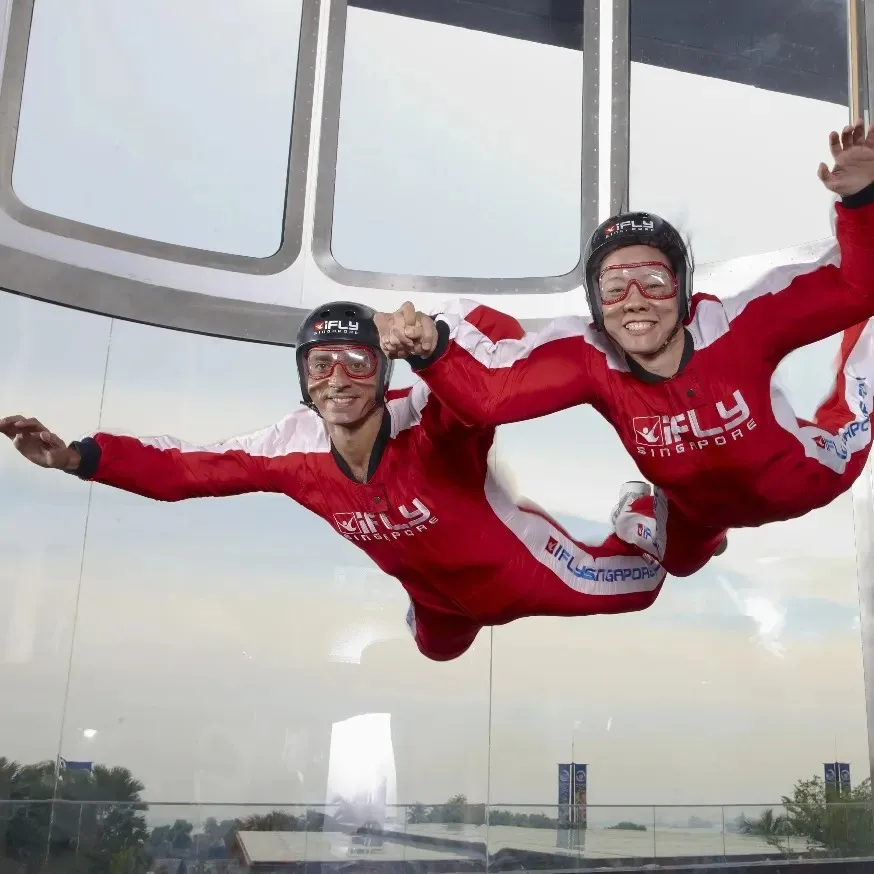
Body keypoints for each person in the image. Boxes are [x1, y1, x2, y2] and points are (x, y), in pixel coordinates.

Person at [0, 303, 666, 663]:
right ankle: (429, 605)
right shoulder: (295, 447)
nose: (339, 377)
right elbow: (184, 467)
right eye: (321, 364)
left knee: (642, 588)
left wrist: (432, 337)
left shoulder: (427, 417)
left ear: (382, 372)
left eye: (356, 361)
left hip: (523, 571)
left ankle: (643, 503)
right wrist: (75, 457)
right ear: (303, 378)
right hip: (432, 593)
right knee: (438, 652)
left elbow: (493, 340)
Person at [374, 120, 874, 577]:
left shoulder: (740, 324)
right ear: (595, 304)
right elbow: (490, 396)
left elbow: (858, 288)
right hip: (695, 514)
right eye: (614, 288)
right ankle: (648, 513)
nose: (635, 301)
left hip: (805, 479)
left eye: (654, 281)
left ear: (683, 290)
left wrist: (861, 201)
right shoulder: (592, 360)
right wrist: (429, 348)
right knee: (677, 565)